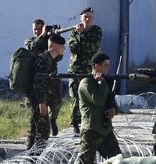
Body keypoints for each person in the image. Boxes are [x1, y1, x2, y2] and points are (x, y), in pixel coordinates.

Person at [69, 53, 121, 164]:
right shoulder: (86, 83)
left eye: (108, 65)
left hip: (105, 129)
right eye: (105, 65)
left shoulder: (105, 82)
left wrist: (113, 110)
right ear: (95, 66)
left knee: (117, 160)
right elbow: (97, 99)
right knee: (85, 163)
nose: (108, 68)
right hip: (91, 129)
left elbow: (110, 102)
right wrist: (101, 83)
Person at [26, 34, 65, 152]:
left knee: (35, 131)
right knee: (42, 132)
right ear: (52, 46)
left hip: (41, 101)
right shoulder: (44, 59)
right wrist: (42, 103)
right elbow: (39, 82)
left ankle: (31, 161)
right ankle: (36, 160)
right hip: (38, 102)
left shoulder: (51, 60)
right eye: (61, 46)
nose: (64, 48)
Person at [68, 7, 103, 135]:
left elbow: (92, 48)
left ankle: (89, 121)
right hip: (76, 69)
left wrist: (81, 35)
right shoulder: (73, 32)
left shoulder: (96, 31)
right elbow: (73, 49)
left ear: (93, 18)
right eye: (85, 17)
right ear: (80, 18)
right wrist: (79, 36)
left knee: (90, 97)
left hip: (90, 69)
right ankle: (75, 123)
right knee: (75, 97)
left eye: (90, 17)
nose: (87, 19)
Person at [25, 19, 61, 135]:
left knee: (56, 103)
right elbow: (32, 49)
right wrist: (42, 35)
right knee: (37, 118)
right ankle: (34, 147)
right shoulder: (30, 40)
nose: (37, 31)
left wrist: (54, 38)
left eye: (39, 29)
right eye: (35, 29)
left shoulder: (48, 41)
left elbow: (58, 57)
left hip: (51, 80)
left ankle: (53, 119)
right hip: (36, 82)